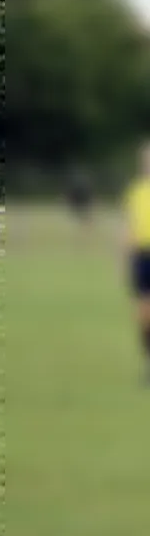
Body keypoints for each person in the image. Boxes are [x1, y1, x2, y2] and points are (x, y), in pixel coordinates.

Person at [124, 141, 150, 381]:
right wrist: (125, 256)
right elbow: (130, 226)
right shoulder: (136, 191)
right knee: (143, 313)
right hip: (142, 256)